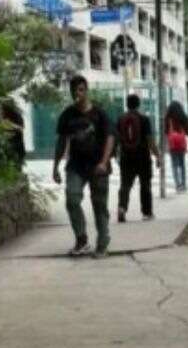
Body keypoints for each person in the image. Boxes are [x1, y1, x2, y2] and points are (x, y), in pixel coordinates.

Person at [52, 75, 115, 257]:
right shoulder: (67, 115)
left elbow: (110, 138)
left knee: (99, 205)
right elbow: (61, 142)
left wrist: (104, 162)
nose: (76, 94)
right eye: (73, 91)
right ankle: (82, 239)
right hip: (76, 166)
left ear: (86, 90)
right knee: (72, 200)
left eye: (80, 90)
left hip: (98, 166)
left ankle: (103, 243)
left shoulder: (99, 114)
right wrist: (55, 167)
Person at [114, 94, 157, 223]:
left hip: (126, 156)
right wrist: (157, 155)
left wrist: (115, 154)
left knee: (125, 185)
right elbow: (150, 139)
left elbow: (115, 139)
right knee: (145, 185)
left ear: (127, 104)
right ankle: (147, 212)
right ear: (138, 104)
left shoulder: (120, 119)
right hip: (143, 156)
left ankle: (122, 207)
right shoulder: (144, 119)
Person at [164, 101, 188, 192]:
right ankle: (184, 185)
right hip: (181, 144)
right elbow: (187, 130)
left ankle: (178, 185)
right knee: (182, 165)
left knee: (174, 165)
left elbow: (166, 131)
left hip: (173, 145)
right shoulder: (183, 117)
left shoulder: (168, 118)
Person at [0, 98, 26, 170]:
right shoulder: (2, 117)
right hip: (6, 147)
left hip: (17, 146)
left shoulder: (17, 116)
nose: (1, 110)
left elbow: (21, 129)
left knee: (16, 167)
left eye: (2, 108)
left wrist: (10, 125)